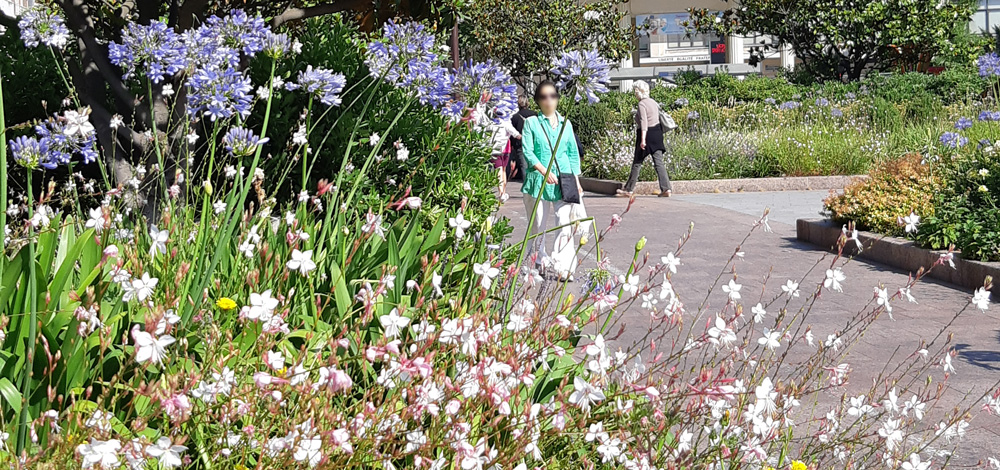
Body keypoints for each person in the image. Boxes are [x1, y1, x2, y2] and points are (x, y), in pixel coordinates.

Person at [521, 80, 583, 281]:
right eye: (544, 97)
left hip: (563, 181)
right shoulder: (532, 123)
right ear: (538, 101)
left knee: (564, 223)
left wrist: (577, 181)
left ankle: (564, 267)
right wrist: (543, 171)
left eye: (553, 96)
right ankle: (536, 259)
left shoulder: (566, 124)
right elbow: (528, 151)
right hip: (538, 180)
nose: (549, 100)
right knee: (537, 223)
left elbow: (573, 153)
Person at [618, 80, 672, 197]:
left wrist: (643, 140)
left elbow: (644, 122)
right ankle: (666, 188)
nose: (634, 93)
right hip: (657, 133)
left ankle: (629, 189)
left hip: (647, 134)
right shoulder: (653, 102)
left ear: (639, 92)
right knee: (659, 162)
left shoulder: (642, 104)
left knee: (637, 162)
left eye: (635, 91)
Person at [489, 116, 520, 203]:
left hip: (495, 148)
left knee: (499, 169)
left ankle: (502, 193)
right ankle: (503, 192)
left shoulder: (491, 121)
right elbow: (512, 131)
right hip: (506, 147)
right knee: (503, 170)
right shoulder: (506, 120)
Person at [509, 95, 537, 181]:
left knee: (524, 166)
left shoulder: (515, 117)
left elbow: (512, 133)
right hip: (533, 142)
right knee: (535, 165)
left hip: (520, 144)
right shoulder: (534, 115)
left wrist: (513, 145)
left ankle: (526, 187)